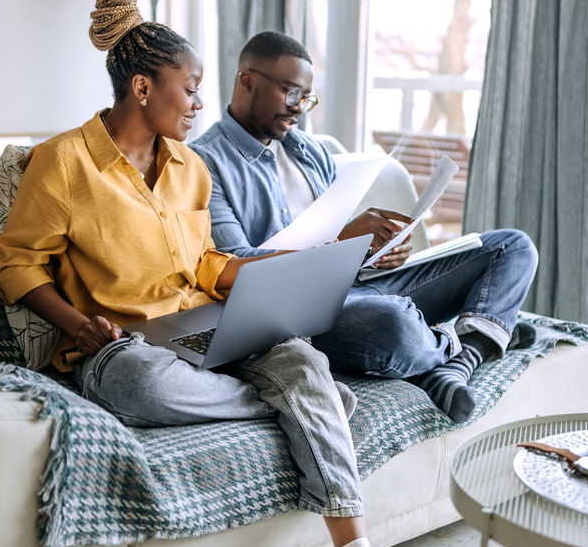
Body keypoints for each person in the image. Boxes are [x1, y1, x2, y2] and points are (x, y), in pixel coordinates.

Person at [0, 0, 435, 547]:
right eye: (191, 87)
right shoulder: (63, 162)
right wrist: (77, 324)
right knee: (143, 386)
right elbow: (16, 263)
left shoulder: (188, 169)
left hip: (206, 321)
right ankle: (305, 409)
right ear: (143, 89)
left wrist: (264, 276)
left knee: (301, 358)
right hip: (122, 345)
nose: (201, 103)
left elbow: (201, 262)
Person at [190, 31, 538, 423]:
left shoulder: (311, 151)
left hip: (358, 288)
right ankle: (479, 338)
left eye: (307, 97)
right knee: (394, 323)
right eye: (291, 93)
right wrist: (341, 242)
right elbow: (233, 266)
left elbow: (342, 249)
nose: (300, 108)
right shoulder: (203, 164)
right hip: (295, 314)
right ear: (247, 81)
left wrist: (374, 252)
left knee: (512, 246)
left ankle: (456, 359)